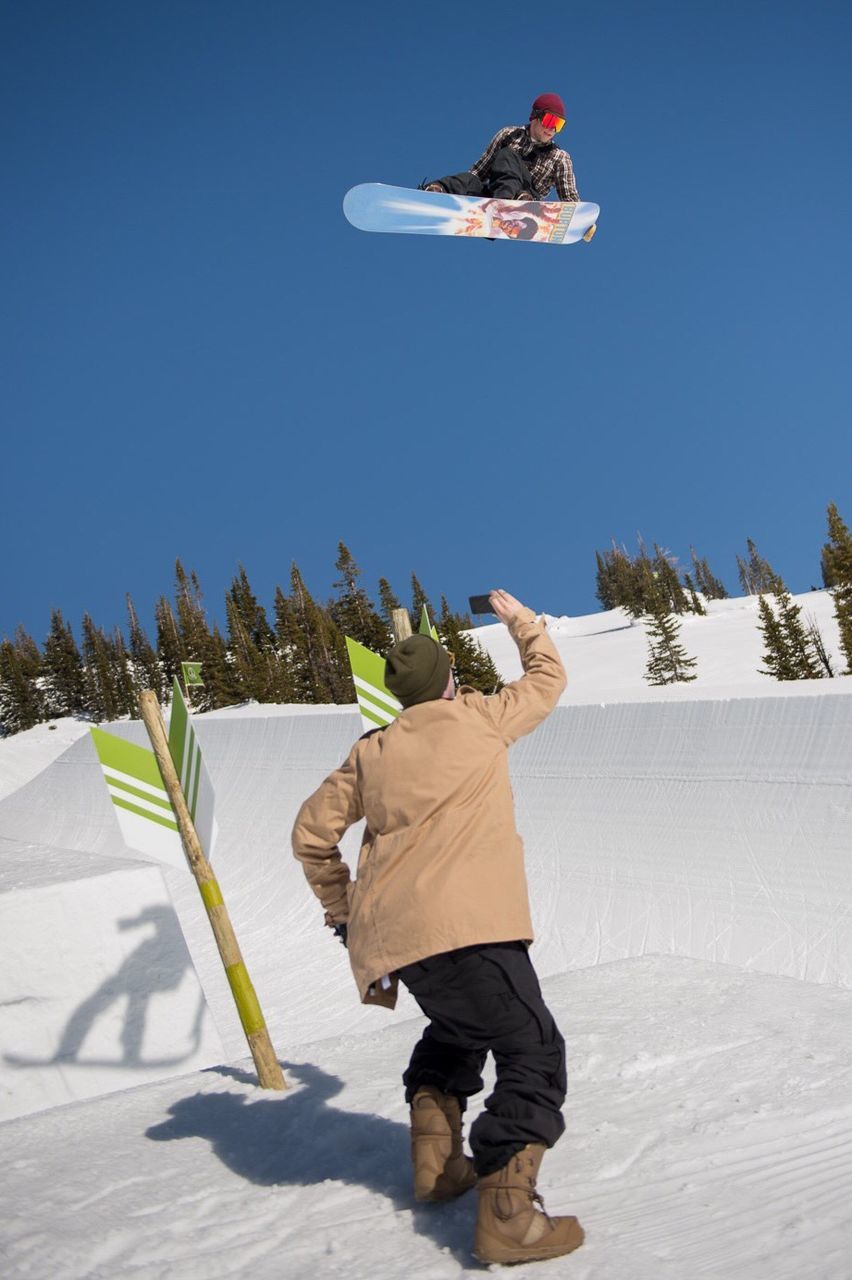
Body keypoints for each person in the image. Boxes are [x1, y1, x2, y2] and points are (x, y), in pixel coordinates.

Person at [292, 589, 585, 1266]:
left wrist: (343, 912)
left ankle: (436, 1164)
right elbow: (548, 680)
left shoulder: (369, 753)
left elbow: (310, 838)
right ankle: (508, 1214)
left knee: (457, 1029)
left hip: (397, 941)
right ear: (450, 680)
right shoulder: (480, 718)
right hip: (472, 928)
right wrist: (521, 622)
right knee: (534, 1052)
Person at [423, 92, 580, 204]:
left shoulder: (559, 157)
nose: (552, 129)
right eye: (550, 120)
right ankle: (437, 192)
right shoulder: (508, 135)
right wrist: (464, 187)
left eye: (558, 125)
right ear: (535, 116)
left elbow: (569, 196)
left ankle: (513, 203)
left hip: (528, 199)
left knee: (508, 156)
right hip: (495, 196)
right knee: (474, 177)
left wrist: (583, 221)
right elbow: (480, 172)